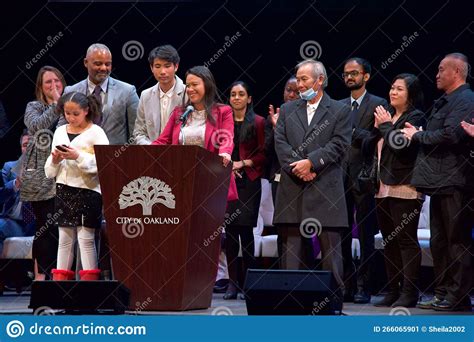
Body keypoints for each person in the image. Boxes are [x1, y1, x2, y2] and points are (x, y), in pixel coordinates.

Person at [274, 60, 351, 307]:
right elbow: (281, 145)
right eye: (298, 78)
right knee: (292, 255)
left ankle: (334, 304)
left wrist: (312, 162)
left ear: (320, 80)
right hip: (293, 187)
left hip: (325, 187)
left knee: (331, 255)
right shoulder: (287, 110)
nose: (300, 84)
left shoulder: (339, 110)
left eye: (305, 79)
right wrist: (300, 167)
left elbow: (339, 144)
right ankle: (290, 305)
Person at [402, 53, 473, 311]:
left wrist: (419, 135)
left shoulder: (466, 99)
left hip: (456, 180)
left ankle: (459, 295)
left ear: (457, 72)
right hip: (438, 181)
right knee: (439, 242)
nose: (437, 74)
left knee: (457, 241)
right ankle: (442, 291)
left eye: (442, 69)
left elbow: (452, 135)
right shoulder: (445, 101)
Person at [363, 74, 425, 307]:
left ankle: (409, 292)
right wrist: (379, 128)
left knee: (405, 240)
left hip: (405, 186)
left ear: (411, 94)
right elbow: (370, 144)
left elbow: (401, 147)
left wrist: (386, 126)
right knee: (389, 240)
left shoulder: (416, 117)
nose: (393, 92)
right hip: (382, 186)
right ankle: (392, 290)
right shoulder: (386, 116)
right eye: (392, 87)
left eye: (399, 89)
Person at [45, 92, 109, 281]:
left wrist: (78, 156)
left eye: (75, 114)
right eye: (67, 113)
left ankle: (89, 286)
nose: (71, 118)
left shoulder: (96, 132)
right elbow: (50, 170)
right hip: (64, 189)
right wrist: (55, 160)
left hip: (88, 191)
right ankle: (61, 286)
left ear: (86, 111)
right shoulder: (59, 131)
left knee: (86, 239)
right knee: (64, 239)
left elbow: (104, 163)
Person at [340, 57, 388, 303]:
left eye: (354, 73)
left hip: (365, 178)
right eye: (346, 73)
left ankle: (364, 285)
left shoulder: (378, 104)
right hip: (339, 179)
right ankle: (346, 285)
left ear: (366, 76)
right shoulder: (337, 106)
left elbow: (376, 139)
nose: (349, 77)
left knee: (366, 234)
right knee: (342, 234)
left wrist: (353, 132)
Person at [152, 65, 237, 202]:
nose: (190, 89)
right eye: (188, 85)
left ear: (207, 85)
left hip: (210, 178)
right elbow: (162, 141)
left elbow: (226, 138)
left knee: (207, 222)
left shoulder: (223, 111)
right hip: (180, 179)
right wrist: (141, 152)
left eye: (194, 84)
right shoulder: (180, 113)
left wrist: (225, 153)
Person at [22, 65, 65, 280]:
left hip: (64, 172)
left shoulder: (70, 105)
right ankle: (42, 278)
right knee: (44, 225)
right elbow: (37, 126)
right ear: (41, 86)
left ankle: (60, 276)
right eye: (48, 82)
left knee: (61, 227)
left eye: (57, 81)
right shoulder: (34, 106)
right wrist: (56, 105)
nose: (54, 85)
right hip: (40, 174)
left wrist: (62, 105)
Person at [223, 81, 265, 300]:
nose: (236, 98)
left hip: (249, 182)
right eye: (233, 94)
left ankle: (250, 282)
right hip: (228, 181)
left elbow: (264, 154)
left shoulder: (258, 122)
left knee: (246, 233)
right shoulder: (224, 123)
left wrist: (243, 163)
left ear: (249, 98)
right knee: (230, 234)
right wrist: (230, 167)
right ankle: (232, 283)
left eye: (241, 94)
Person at [62, 43, 139, 144]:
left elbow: (136, 132)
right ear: (86, 62)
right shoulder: (71, 91)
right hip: (79, 157)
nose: (103, 68)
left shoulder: (127, 91)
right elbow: (62, 129)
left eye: (108, 64)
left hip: (116, 157)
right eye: (98, 64)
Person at [134, 45, 186, 145]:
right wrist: (152, 148)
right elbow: (139, 132)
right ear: (151, 68)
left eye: (167, 66)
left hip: (181, 154)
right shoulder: (145, 95)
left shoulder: (187, 92)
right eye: (157, 66)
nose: (162, 72)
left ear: (176, 66)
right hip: (153, 155)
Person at [0, 131, 35, 256]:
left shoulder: (48, 170)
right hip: (12, 222)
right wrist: (16, 183)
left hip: (36, 226)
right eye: (25, 145)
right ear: (21, 148)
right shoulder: (9, 167)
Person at [265, 76, 298, 201]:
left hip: (301, 175)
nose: (291, 95)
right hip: (279, 175)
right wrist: (275, 128)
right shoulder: (273, 118)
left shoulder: (308, 118)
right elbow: (267, 151)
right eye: (288, 90)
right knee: (280, 218)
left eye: (297, 92)